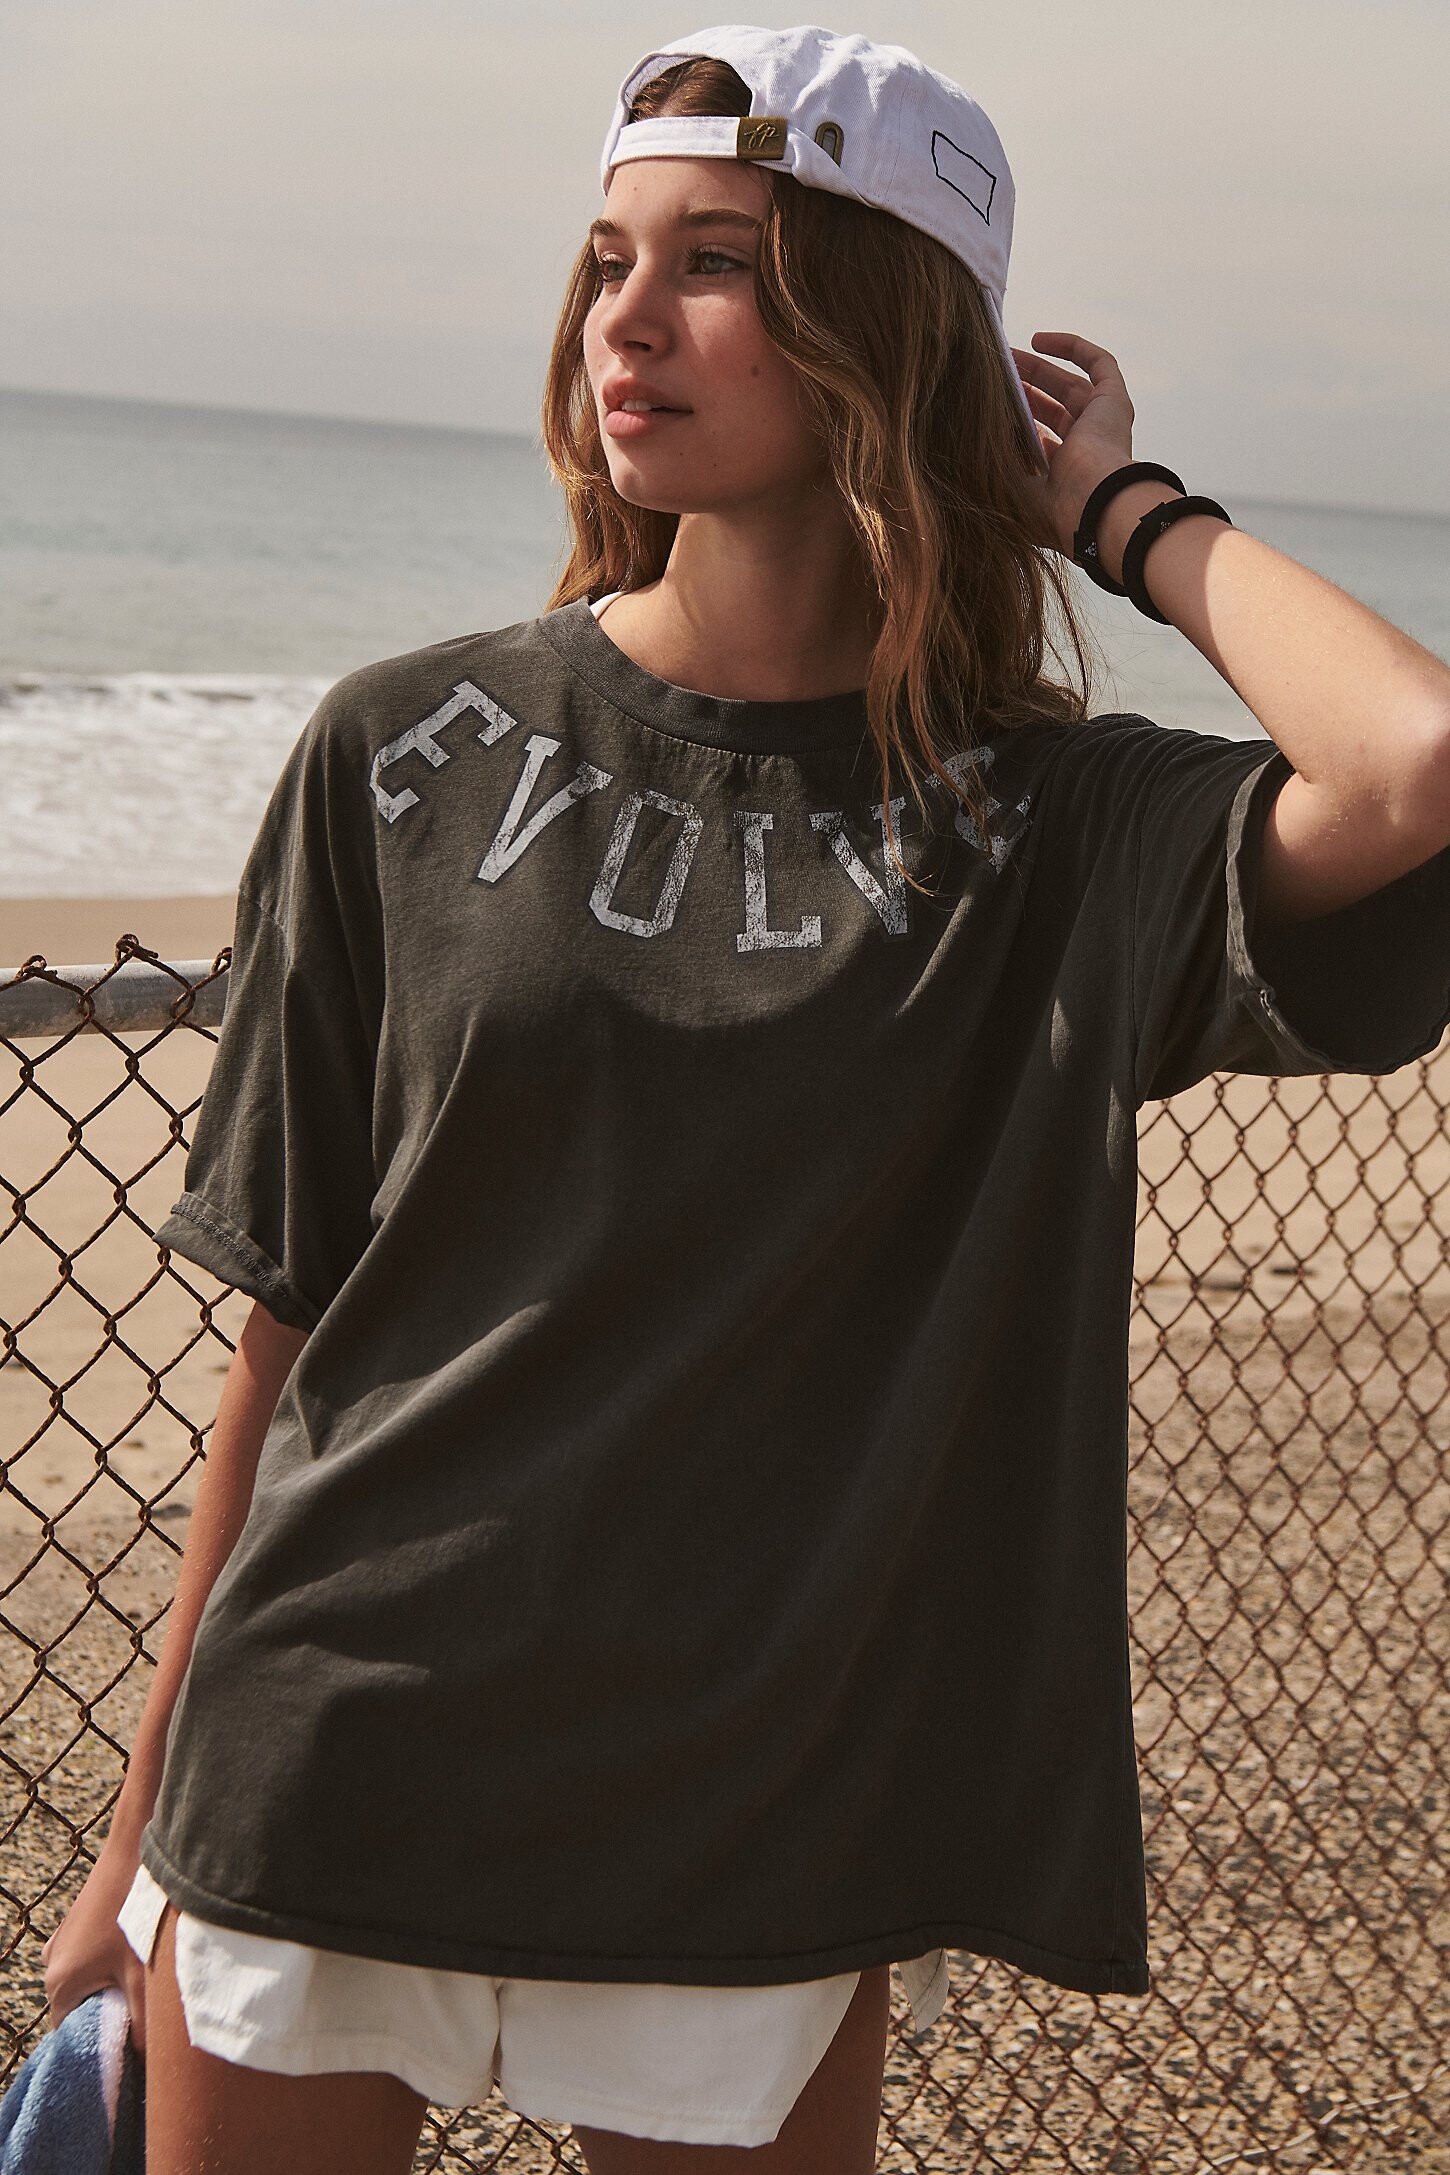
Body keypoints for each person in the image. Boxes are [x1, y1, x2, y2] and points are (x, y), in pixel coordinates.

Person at [40, 23, 1450, 2175]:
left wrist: (1109, 507)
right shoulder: (401, 747)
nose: (626, 318)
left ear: (889, 332)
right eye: (608, 259)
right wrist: (135, 1835)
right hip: (327, 1744)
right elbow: (290, 1327)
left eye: (716, 260)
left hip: (758, 1807)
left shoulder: (1044, 828)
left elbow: (1408, 765)